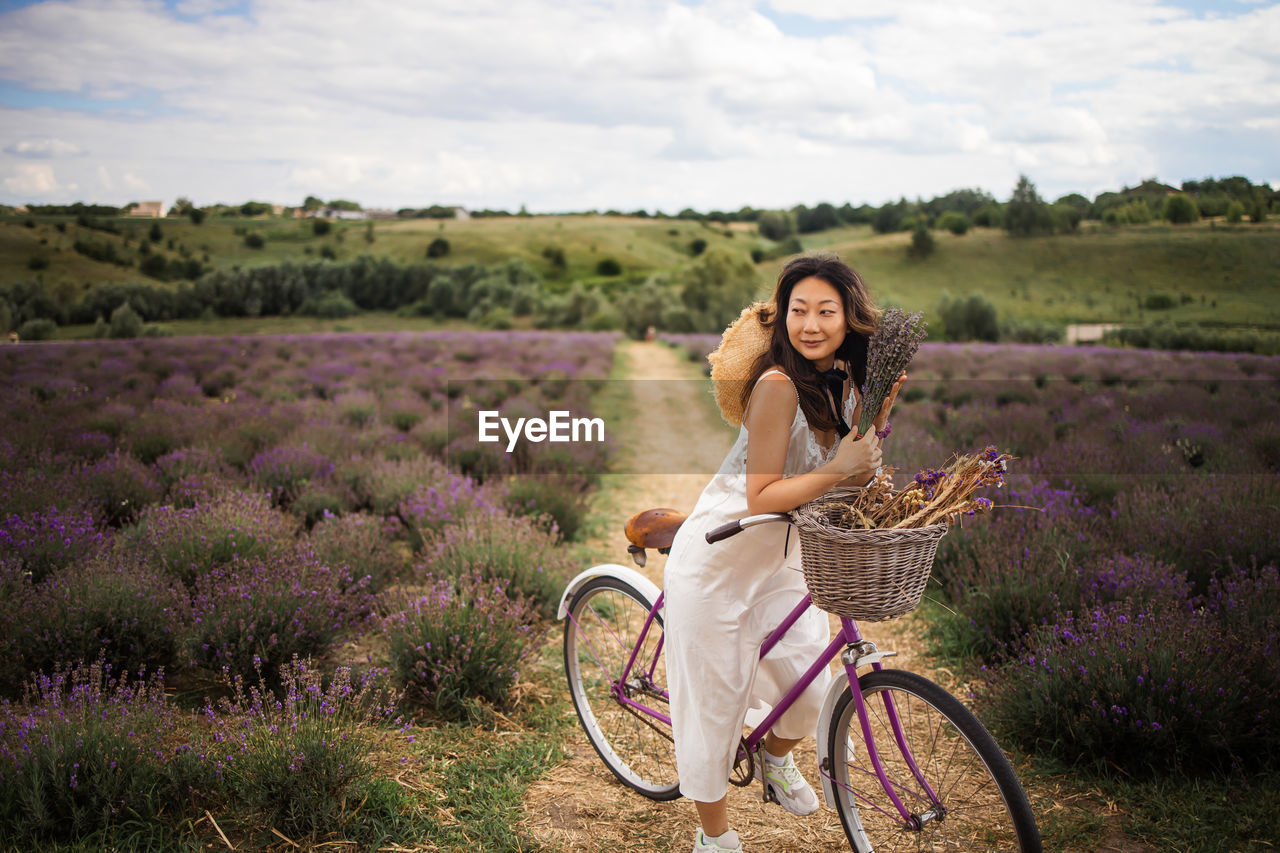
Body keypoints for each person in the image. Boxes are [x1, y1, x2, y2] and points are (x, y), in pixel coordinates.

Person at [664, 253, 905, 852]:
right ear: (784, 318)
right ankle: (713, 837)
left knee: (809, 688)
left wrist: (873, 435)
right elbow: (762, 495)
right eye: (799, 310)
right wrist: (842, 469)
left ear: (850, 319)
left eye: (827, 311)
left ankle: (775, 758)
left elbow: (841, 476)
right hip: (722, 557)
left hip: (787, 558)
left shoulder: (848, 387)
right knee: (713, 705)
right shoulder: (776, 386)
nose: (812, 324)